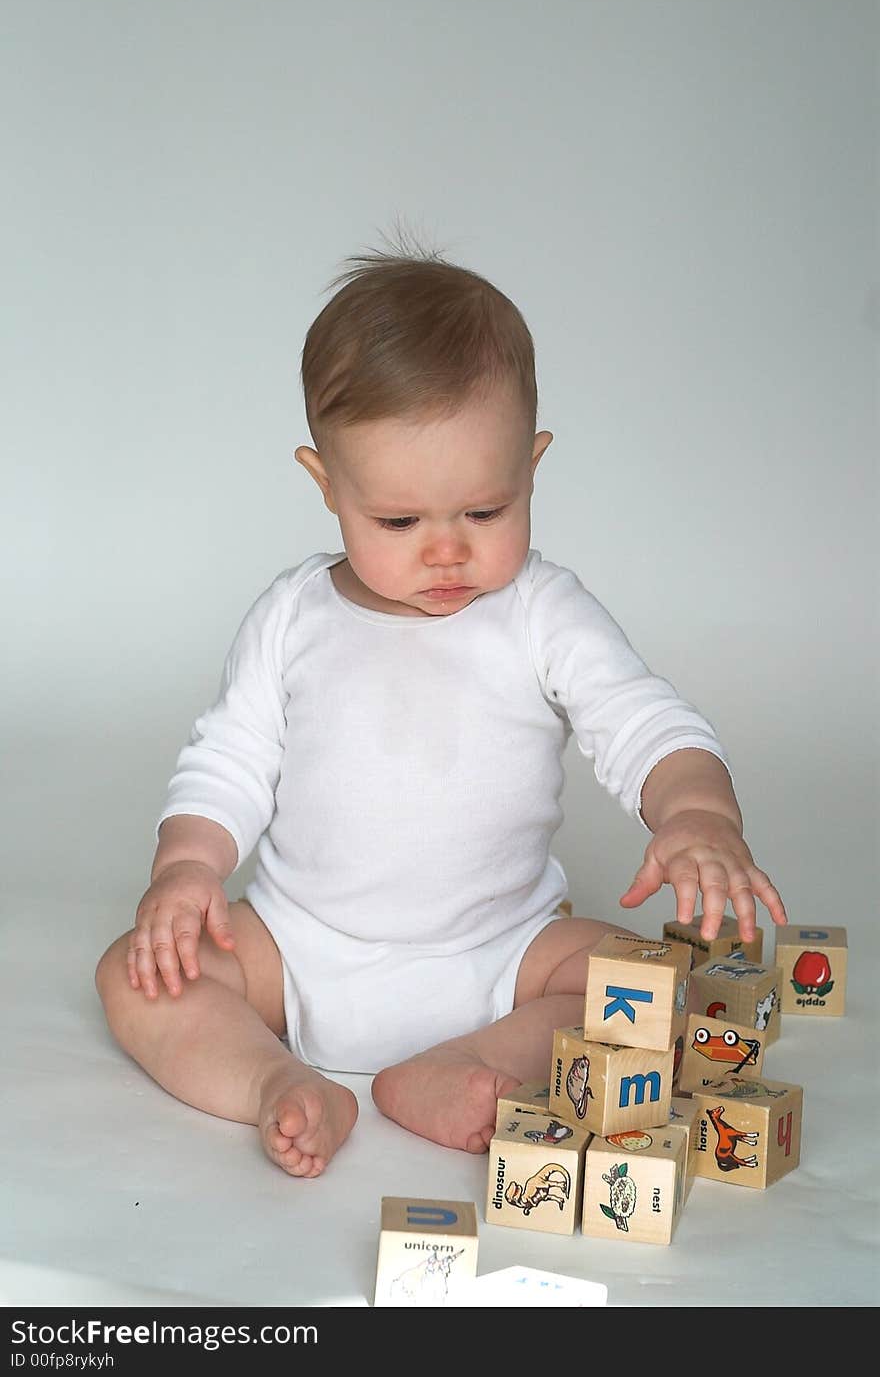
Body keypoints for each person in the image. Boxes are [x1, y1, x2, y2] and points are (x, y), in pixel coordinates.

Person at [95, 236, 787, 1180]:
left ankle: (467, 1063)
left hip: (501, 955)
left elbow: (644, 720)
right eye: (398, 522)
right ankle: (275, 1082)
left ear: (532, 469)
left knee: (661, 985)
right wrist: (184, 870)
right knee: (135, 975)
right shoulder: (293, 616)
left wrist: (699, 814)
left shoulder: (543, 610)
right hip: (300, 949)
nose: (446, 552)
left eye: (486, 512)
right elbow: (229, 760)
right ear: (326, 484)